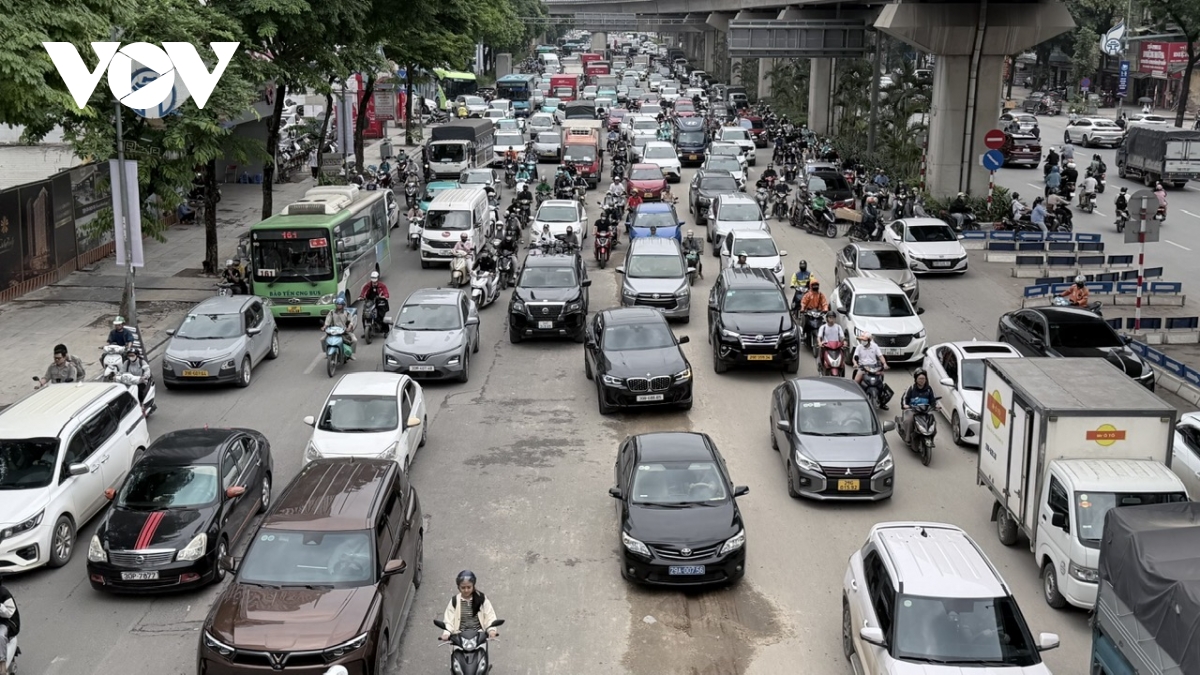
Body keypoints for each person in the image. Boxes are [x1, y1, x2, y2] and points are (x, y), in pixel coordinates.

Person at [439, 571, 499, 642]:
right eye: (463, 587)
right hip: (459, 639)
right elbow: (449, 620)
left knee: (482, 653)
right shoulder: (454, 601)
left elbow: (490, 616)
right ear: (458, 587)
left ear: (473, 586)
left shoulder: (482, 599)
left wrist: (491, 630)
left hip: (479, 638)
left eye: (469, 587)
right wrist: (446, 634)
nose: (466, 590)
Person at [900, 369, 939, 443]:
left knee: (932, 422)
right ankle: (908, 438)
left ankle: (931, 436)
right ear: (916, 379)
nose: (922, 380)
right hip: (913, 410)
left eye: (924, 378)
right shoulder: (911, 388)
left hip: (925, 411)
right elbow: (905, 398)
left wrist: (936, 406)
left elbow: (933, 400)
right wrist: (905, 405)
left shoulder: (929, 389)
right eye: (920, 379)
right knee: (908, 421)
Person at [852, 332, 889, 407]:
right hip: (863, 367)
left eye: (864, 340)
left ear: (869, 340)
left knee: (880, 379)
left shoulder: (875, 346)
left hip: (874, 367)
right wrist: (855, 363)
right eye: (862, 340)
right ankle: (855, 397)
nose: (863, 341)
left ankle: (881, 399)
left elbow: (880, 356)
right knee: (856, 381)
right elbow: (854, 357)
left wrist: (884, 364)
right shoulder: (859, 347)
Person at [0, 578, 18, 675]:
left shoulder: (3, 593)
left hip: (6, 622)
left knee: (1, 635)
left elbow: (9, 613)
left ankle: (2, 666)